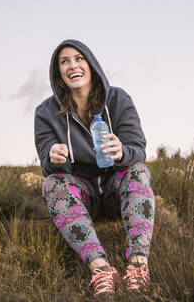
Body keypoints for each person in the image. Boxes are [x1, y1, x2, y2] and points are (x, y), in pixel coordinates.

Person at [34, 39, 155, 298]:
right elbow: (46, 162)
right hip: (82, 193)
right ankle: (101, 269)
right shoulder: (45, 112)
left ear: (91, 64)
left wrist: (122, 152)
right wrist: (53, 159)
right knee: (52, 184)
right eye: (64, 62)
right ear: (58, 73)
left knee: (140, 171)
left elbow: (138, 149)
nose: (72, 66)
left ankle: (137, 266)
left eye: (79, 58)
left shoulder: (118, 100)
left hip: (115, 188)